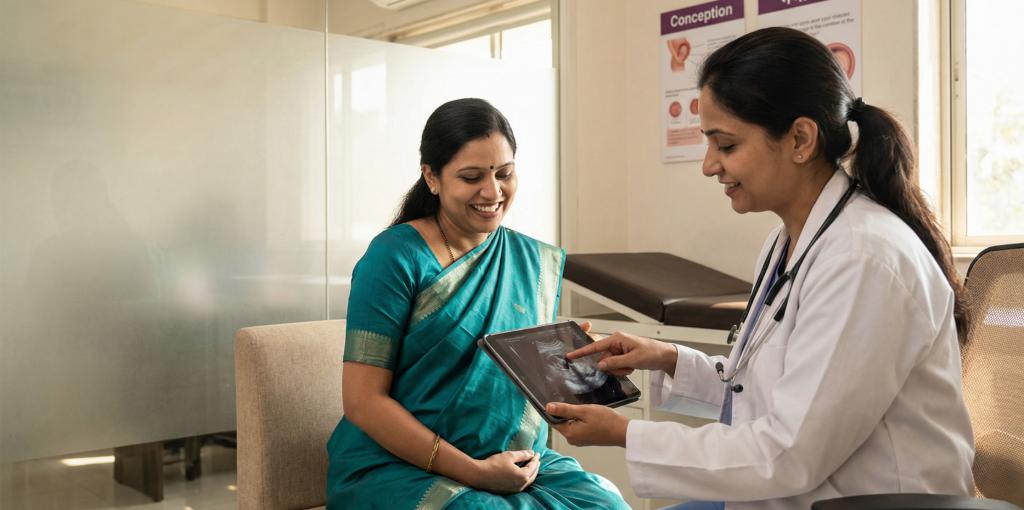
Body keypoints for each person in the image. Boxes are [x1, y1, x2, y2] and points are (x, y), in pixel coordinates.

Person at [545, 27, 975, 510]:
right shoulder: (787, 241)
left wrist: (626, 434)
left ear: (800, 139)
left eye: (726, 145)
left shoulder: (861, 259)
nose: (709, 166)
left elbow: (789, 453)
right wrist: (667, 357)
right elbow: (761, 389)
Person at [326, 98, 630, 510]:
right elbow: (363, 402)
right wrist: (474, 472)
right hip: (400, 465)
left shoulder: (530, 261)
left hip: (515, 462)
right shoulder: (394, 257)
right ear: (431, 177)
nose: (493, 192)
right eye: (471, 177)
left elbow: (510, 385)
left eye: (505, 173)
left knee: (608, 504)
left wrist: (580, 367)